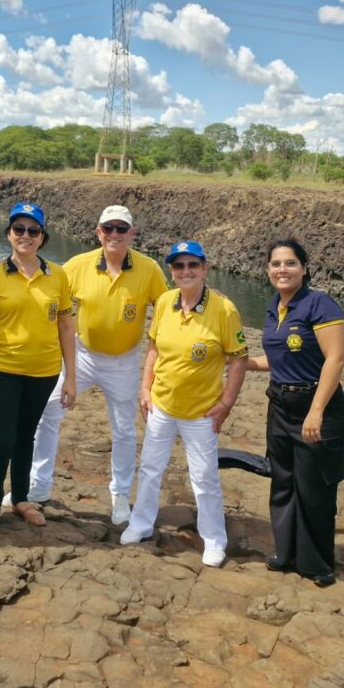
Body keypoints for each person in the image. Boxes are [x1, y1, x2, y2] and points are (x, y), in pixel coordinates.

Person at [3, 205, 167, 524]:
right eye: (109, 228)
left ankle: (120, 495)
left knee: (124, 429)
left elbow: (167, 310)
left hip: (124, 361)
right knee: (48, 413)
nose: (115, 234)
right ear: (98, 232)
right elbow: (48, 295)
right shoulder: (78, 265)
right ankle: (38, 484)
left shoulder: (149, 269)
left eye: (122, 228)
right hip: (81, 354)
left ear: (132, 233)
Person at [120, 241, 248, 568]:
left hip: (201, 412)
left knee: (204, 478)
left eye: (192, 265)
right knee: (150, 468)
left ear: (205, 268)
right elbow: (154, 347)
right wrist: (145, 388)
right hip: (162, 406)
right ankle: (141, 523)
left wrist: (226, 403)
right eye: (179, 266)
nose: (185, 271)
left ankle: (214, 539)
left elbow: (239, 358)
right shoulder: (165, 301)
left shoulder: (224, 310)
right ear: (172, 271)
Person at [0, 203, 76, 542]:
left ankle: (21, 498)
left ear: (42, 237)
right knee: (2, 440)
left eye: (33, 230)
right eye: (19, 229)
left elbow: (66, 327)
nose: (26, 236)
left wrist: (71, 377)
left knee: (27, 436)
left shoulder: (58, 276)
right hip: (1, 370)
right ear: (9, 234)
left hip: (43, 372)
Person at [246, 239, 344, 587]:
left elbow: (335, 359)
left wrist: (316, 411)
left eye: (290, 263)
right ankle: (286, 552)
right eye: (276, 264)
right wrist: (243, 363)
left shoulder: (319, 304)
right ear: (268, 270)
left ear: (304, 268)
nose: (282, 270)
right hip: (280, 404)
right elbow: (278, 360)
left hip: (317, 405)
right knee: (283, 481)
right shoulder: (275, 306)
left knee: (313, 487)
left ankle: (317, 563)